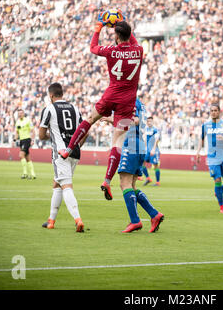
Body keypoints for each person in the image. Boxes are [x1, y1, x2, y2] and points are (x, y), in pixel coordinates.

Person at [58, 14, 143, 203]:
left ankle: (68, 149)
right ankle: (106, 180)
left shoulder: (111, 51)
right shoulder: (139, 50)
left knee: (89, 120)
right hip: (128, 100)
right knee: (118, 141)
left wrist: (98, 29)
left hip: (112, 93)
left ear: (116, 36)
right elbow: (131, 39)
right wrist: (123, 22)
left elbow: (93, 47)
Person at [38, 83, 86, 232]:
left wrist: (52, 136)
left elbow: (41, 135)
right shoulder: (75, 109)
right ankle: (51, 220)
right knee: (57, 184)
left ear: (51, 95)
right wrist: (76, 146)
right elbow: (86, 132)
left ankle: (78, 220)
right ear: (62, 94)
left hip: (60, 153)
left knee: (66, 186)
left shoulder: (49, 109)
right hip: (75, 152)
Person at [117, 98, 164, 233]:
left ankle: (135, 221)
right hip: (140, 145)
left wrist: (116, 122)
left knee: (124, 184)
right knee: (132, 186)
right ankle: (154, 214)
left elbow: (135, 121)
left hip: (132, 144)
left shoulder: (131, 100)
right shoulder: (140, 104)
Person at [196, 104, 223, 214]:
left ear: (219, 112)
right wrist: (198, 152)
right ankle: (222, 206)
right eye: (211, 110)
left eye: (215, 110)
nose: (213, 112)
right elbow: (201, 139)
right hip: (212, 157)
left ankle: (218, 192)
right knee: (217, 180)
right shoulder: (206, 125)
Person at [15, 109, 36, 179]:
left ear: (23, 114)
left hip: (27, 140)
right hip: (21, 141)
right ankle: (33, 175)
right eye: (19, 113)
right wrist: (15, 139)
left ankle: (25, 173)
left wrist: (32, 140)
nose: (20, 114)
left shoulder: (27, 120)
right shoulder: (17, 122)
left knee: (21, 155)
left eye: (21, 113)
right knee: (27, 158)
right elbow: (17, 132)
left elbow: (33, 131)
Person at [142, 116, 161, 186]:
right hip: (147, 149)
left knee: (155, 165)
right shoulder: (146, 129)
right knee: (142, 163)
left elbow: (156, 140)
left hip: (154, 149)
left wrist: (153, 149)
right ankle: (148, 178)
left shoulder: (155, 129)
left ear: (153, 122)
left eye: (150, 121)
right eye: (148, 121)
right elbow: (144, 139)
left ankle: (157, 182)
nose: (149, 122)